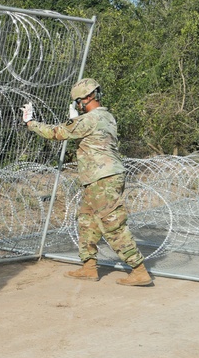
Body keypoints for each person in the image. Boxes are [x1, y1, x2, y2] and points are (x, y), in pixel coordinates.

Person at [22, 78, 152, 286]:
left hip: (103, 178)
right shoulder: (107, 116)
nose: (78, 106)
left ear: (85, 99)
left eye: (77, 102)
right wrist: (76, 121)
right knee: (87, 221)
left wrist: (31, 123)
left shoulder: (89, 120)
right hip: (98, 177)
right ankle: (89, 267)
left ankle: (139, 270)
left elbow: (56, 133)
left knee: (112, 224)